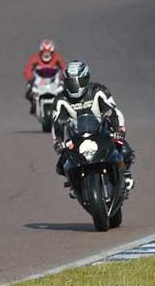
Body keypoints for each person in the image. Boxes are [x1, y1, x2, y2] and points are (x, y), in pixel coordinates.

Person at [51, 60, 135, 199]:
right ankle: (74, 183)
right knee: (61, 165)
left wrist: (119, 130)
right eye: (70, 82)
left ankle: (125, 174)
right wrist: (58, 142)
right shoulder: (61, 99)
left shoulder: (99, 91)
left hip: (102, 133)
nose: (74, 86)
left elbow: (113, 112)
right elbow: (57, 123)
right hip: (76, 138)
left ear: (85, 79)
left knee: (125, 149)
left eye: (77, 81)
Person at [23, 39, 67, 114]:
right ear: (42, 51)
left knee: (65, 93)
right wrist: (31, 79)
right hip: (40, 80)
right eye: (45, 52)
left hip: (53, 80)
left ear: (51, 52)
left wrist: (63, 79)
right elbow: (28, 70)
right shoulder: (35, 58)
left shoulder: (57, 58)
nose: (46, 54)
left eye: (48, 52)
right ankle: (34, 105)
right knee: (29, 94)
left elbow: (64, 68)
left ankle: (63, 108)